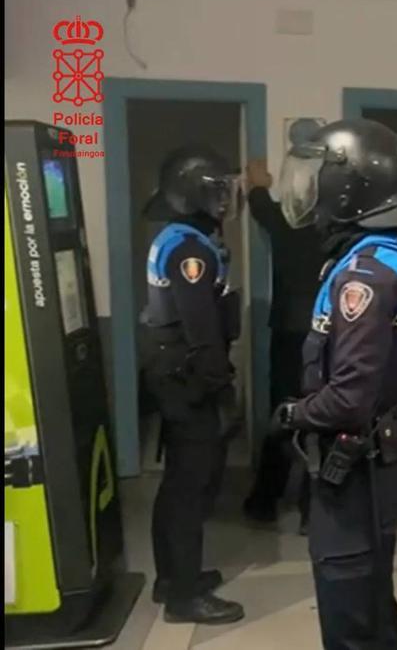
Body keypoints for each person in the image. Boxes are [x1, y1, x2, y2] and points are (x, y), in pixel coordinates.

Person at [271, 118, 397, 648]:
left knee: (348, 610)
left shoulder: (364, 274)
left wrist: (291, 415)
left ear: (349, 185)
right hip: (381, 453)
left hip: (357, 464)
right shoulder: (392, 256)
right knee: (371, 597)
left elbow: (349, 398)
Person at [139, 145, 245, 624]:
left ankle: (172, 579)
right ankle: (184, 598)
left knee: (178, 483)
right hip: (189, 378)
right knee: (191, 487)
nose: (225, 199)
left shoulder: (178, 237)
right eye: (217, 190)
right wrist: (222, 388)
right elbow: (202, 330)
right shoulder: (189, 249)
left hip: (173, 371)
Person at [240, 158, 324, 532]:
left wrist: (258, 182)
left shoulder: (284, 224)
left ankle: (265, 500)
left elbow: (261, 205)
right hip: (323, 333)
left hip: (288, 333)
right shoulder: (333, 228)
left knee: (282, 416)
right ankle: (312, 508)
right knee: (319, 418)